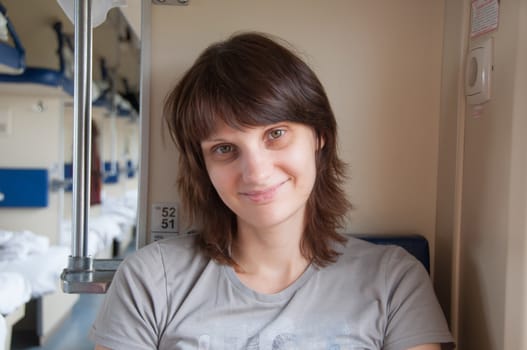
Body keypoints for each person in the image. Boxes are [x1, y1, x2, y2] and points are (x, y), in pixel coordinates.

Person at [90, 32, 454, 350]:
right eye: (224, 149)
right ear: (204, 168)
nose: (257, 172)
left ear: (319, 135)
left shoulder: (394, 282)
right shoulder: (152, 282)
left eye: (275, 134)